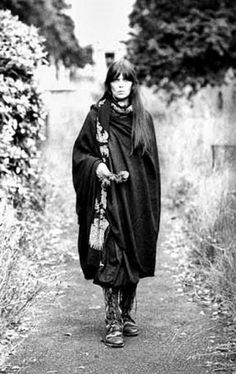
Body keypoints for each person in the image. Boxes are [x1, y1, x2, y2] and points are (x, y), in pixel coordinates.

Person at [72, 59, 161, 348]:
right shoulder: (97, 116)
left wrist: (148, 203)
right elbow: (80, 154)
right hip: (106, 200)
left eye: (126, 80)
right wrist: (96, 165)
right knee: (110, 256)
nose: (120, 85)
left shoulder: (143, 119)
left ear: (133, 85)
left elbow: (150, 167)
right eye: (115, 80)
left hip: (135, 200)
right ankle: (112, 319)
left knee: (133, 254)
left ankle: (125, 314)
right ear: (109, 84)